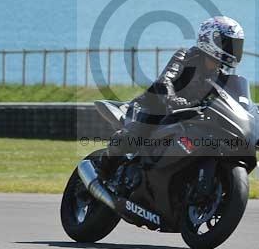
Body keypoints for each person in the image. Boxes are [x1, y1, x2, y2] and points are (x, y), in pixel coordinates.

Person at [101, 16, 245, 167]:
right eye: (227, 43)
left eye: (235, 45)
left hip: (188, 117)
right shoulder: (185, 57)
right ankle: (104, 169)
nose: (232, 49)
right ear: (209, 38)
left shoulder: (221, 76)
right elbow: (165, 80)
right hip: (155, 108)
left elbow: (229, 99)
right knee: (132, 139)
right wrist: (172, 99)